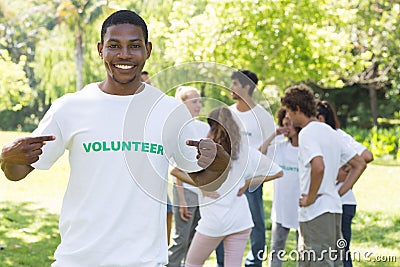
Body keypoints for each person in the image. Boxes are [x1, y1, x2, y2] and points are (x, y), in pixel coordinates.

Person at [0, 10, 230, 267]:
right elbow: (18, 171)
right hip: (78, 260)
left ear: (148, 50)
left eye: (134, 46)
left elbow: (203, 178)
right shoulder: (70, 107)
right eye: (113, 46)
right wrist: (7, 157)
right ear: (100, 50)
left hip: (144, 262)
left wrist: (221, 163)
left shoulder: (170, 111)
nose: (124, 54)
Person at [171, 107, 283, 267]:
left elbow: (175, 170)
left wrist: (202, 186)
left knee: (191, 263)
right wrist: (248, 182)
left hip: (214, 221)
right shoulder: (245, 151)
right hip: (240, 221)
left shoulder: (206, 152)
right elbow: (277, 172)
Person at [281, 84, 366, 267]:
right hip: (334, 210)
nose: (287, 117)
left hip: (315, 213)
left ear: (297, 109)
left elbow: (318, 166)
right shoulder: (330, 131)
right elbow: (359, 164)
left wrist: (310, 199)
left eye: (288, 111)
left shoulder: (307, 133)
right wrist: (339, 192)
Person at [227, 69, 277, 267]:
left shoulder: (263, 117)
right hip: (229, 179)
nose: (231, 88)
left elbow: (271, 150)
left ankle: (255, 262)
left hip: (252, 179)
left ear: (247, 87)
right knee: (227, 222)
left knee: (256, 223)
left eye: (235, 84)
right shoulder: (229, 113)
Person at [316, 100, 373, 267]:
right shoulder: (331, 135)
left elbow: (367, 156)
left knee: (339, 256)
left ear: (320, 119)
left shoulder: (337, 135)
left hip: (340, 202)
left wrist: (344, 170)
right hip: (332, 203)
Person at [168, 86, 210, 267]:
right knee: (181, 239)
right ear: (182, 104)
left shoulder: (205, 127)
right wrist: (183, 200)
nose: (198, 105)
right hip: (185, 190)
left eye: (199, 101)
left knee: (195, 240)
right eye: (194, 101)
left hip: (202, 191)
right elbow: (177, 166)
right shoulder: (176, 129)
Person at [259, 107, 301, 267]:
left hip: (302, 209)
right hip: (281, 210)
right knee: (276, 250)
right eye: (284, 124)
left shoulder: (307, 148)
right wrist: (274, 135)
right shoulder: (280, 148)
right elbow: (259, 155)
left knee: (304, 252)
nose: (286, 128)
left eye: (289, 123)